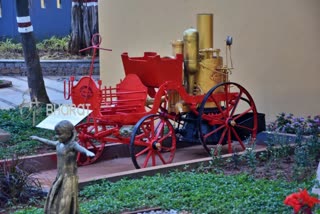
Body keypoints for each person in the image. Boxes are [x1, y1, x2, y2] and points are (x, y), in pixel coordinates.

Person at [30, 120, 95, 214]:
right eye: (56, 134)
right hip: (60, 175)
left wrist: (87, 152)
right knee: (56, 194)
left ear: (69, 134)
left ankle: (64, 211)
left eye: (60, 134)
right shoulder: (58, 144)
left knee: (66, 196)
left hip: (69, 176)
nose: (57, 136)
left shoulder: (72, 145)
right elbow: (48, 142)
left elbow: (81, 149)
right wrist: (37, 138)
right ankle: (54, 210)